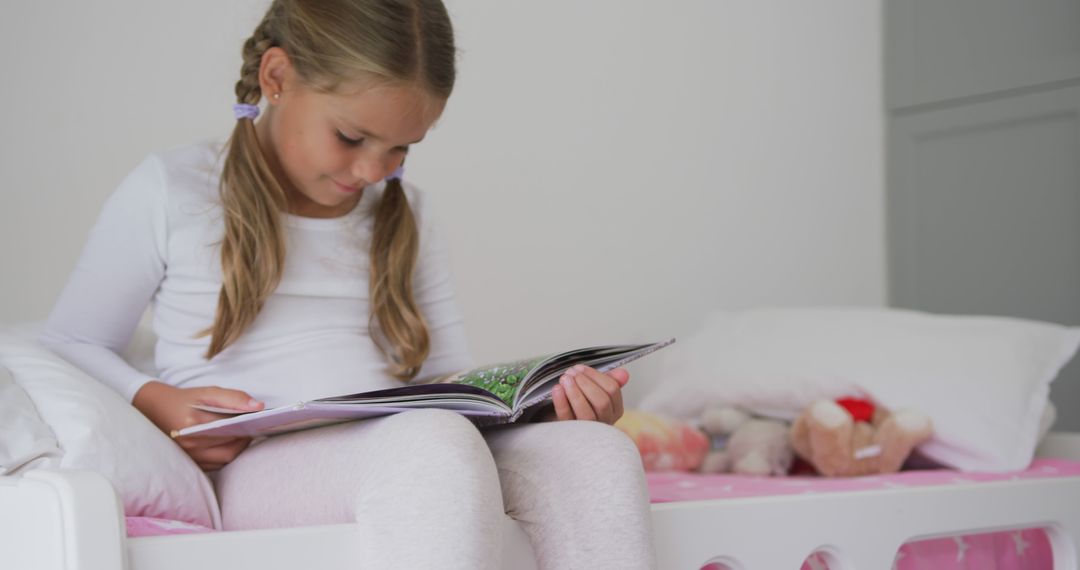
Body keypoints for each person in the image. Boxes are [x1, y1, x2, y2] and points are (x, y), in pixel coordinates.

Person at [40, 1, 656, 568]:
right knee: (431, 447)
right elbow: (71, 340)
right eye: (352, 138)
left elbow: (448, 384)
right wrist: (154, 399)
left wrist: (545, 409)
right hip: (258, 466)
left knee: (596, 455)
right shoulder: (174, 190)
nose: (372, 171)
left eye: (401, 149)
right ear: (276, 79)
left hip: (403, 438)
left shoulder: (405, 211)